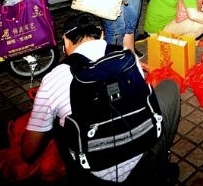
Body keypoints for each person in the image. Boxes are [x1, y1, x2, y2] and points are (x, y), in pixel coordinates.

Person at [21, 12, 181, 184]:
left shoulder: (53, 78)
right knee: (169, 86)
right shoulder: (127, 56)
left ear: (66, 41)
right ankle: (160, 162)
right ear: (102, 34)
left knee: (59, 122)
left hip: (93, 173)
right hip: (143, 158)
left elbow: (29, 151)